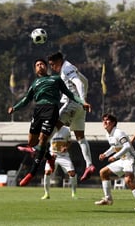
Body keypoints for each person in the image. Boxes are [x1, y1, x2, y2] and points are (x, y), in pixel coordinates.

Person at [8, 58, 91, 186]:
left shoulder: (56, 79)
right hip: (38, 111)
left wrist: (82, 101)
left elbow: (70, 94)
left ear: (46, 67)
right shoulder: (35, 83)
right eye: (37, 65)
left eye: (42, 64)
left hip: (51, 110)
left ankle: (32, 172)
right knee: (31, 142)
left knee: (43, 139)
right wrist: (15, 108)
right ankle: (49, 157)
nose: (40, 66)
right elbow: (26, 100)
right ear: (35, 69)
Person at [46, 51, 95, 182]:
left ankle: (38, 148)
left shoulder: (66, 68)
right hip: (79, 107)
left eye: (52, 64)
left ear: (59, 61)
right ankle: (89, 165)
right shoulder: (70, 67)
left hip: (73, 103)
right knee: (80, 137)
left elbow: (79, 83)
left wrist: (82, 99)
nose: (52, 67)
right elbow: (86, 81)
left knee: (54, 126)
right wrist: (83, 100)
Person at [94, 113, 135, 211]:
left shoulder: (118, 133)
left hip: (131, 159)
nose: (105, 122)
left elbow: (127, 146)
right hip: (122, 160)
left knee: (128, 180)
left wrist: (115, 157)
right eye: (103, 120)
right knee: (103, 172)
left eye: (107, 120)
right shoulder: (108, 134)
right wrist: (105, 154)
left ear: (113, 123)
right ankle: (108, 198)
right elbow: (114, 147)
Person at [41, 126, 77, 200]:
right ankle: (46, 193)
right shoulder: (50, 129)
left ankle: (74, 193)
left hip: (63, 156)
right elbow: (43, 141)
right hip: (52, 155)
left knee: (72, 173)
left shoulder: (66, 130)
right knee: (47, 172)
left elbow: (69, 141)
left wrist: (66, 147)